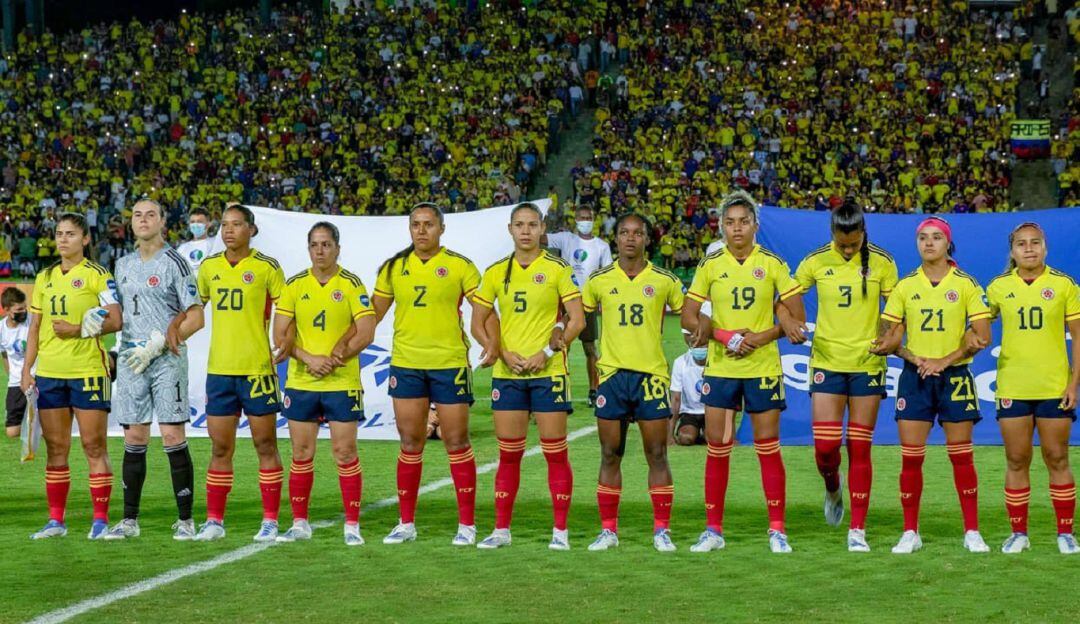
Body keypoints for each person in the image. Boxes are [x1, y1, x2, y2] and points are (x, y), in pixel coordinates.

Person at [681, 190, 807, 554]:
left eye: (744, 221)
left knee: (768, 449)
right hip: (721, 368)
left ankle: (777, 530)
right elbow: (689, 317)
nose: (737, 228)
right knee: (718, 448)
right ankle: (713, 530)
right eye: (730, 222)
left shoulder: (773, 264)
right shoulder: (711, 265)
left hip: (762, 367)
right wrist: (723, 335)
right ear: (721, 227)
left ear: (755, 225)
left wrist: (758, 337)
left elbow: (795, 317)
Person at [874, 216, 993, 554]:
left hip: (955, 377)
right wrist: (913, 358)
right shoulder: (904, 286)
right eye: (923, 237)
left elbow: (982, 335)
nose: (929, 243)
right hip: (915, 377)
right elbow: (887, 335)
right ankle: (910, 531)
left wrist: (945, 360)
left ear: (948, 243)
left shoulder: (967, 284)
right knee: (911, 458)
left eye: (936, 237)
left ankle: (972, 530)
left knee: (961, 457)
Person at [471, 202, 586, 550]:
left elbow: (577, 320)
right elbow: (478, 322)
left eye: (532, 225)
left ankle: (560, 532)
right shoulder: (494, 273)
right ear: (510, 229)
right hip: (508, 374)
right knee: (508, 453)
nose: (525, 231)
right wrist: (502, 352)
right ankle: (501, 530)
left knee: (555, 453)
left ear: (541, 229)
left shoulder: (558, 269)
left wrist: (547, 353)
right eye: (519, 225)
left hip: (548, 372)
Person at [372, 203, 485, 547]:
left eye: (429, 225)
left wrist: (491, 342)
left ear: (442, 228)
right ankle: (406, 523)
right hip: (407, 363)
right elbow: (372, 314)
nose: (422, 231)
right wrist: (345, 345)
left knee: (456, 442)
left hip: (449, 362)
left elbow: (483, 310)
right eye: (416, 225)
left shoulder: (460, 265)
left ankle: (467, 525)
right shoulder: (394, 267)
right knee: (410, 443)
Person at [789, 203, 898, 552]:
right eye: (842, 244)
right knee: (825, 449)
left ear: (863, 233)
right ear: (832, 234)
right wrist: (790, 321)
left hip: (867, 363)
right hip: (827, 362)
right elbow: (786, 298)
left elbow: (897, 310)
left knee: (860, 447)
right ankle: (833, 488)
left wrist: (888, 335)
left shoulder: (883, 262)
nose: (848, 250)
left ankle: (857, 530)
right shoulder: (815, 261)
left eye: (853, 244)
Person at [581, 212, 684, 552]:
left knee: (657, 454)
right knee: (610, 453)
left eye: (637, 233)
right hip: (611, 377)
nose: (629, 238)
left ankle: (662, 531)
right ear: (616, 239)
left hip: (651, 376)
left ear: (646, 239)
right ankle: (608, 531)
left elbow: (690, 314)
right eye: (624, 232)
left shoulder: (665, 280)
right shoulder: (598, 280)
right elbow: (580, 317)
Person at [103, 199, 205, 541]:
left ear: (163, 221)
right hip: (133, 361)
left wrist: (159, 344)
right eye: (137, 215)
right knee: (134, 437)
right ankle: (130, 521)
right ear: (130, 223)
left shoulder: (175, 262)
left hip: (166, 361)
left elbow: (195, 316)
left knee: (173, 436)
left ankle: (187, 521)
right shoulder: (122, 264)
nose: (143, 220)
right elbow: (120, 316)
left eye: (151, 214)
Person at [273, 222, 374, 546]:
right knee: (301, 453)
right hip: (302, 381)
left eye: (326, 244)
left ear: (337, 248)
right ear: (309, 249)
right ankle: (300, 523)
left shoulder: (351, 284)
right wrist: (309, 358)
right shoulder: (294, 284)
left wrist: (336, 358)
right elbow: (280, 334)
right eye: (315, 245)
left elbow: (366, 330)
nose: (320, 250)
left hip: (341, 382)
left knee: (344, 452)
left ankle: (353, 525)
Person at [24, 213, 122, 540]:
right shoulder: (44, 277)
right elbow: (35, 328)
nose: (63, 239)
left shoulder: (98, 275)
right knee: (56, 449)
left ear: (85, 239)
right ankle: (56, 522)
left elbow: (116, 319)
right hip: (50, 373)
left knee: (94, 446)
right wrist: (27, 369)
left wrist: (78, 330)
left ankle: (100, 521)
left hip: (88, 371)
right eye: (59, 234)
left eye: (70, 234)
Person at [192, 204, 287, 542]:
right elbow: (193, 310)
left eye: (237, 225)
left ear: (251, 229)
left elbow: (286, 309)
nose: (229, 231)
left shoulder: (267, 267)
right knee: (220, 448)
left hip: (257, 370)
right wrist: (170, 334)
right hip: (220, 372)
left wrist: (284, 340)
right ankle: (215, 521)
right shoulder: (209, 268)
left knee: (265, 444)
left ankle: (270, 520)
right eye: (225, 226)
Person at [986, 222, 1079, 554]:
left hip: (1054, 387)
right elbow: (980, 326)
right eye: (1022, 244)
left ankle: (1065, 533)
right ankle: (1019, 534)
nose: (1029, 248)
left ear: (1045, 248)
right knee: (1016, 459)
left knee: (1057, 458)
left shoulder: (1065, 285)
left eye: (1035, 243)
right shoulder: (997, 287)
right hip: (1012, 385)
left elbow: (1078, 338)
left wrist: (1073, 383)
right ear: (1012, 251)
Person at [543, 205, 612, 407]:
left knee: (590, 348)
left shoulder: (602, 246)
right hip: (565, 301)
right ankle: (561, 388)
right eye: (581, 217)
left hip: (588, 302)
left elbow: (606, 276)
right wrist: (541, 217)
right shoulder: (566, 238)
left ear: (594, 219)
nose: (585, 220)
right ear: (575, 219)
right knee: (563, 347)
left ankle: (594, 390)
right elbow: (541, 238)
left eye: (588, 217)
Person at [670, 328, 707, 446]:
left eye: (703, 345)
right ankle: (695, 432)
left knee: (714, 440)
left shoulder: (716, 362)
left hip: (711, 412)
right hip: (689, 413)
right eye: (697, 345)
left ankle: (706, 434)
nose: (700, 348)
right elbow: (675, 399)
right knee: (686, 438)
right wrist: (669, 434)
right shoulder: (680, 362)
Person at [1, 287, 29, 438]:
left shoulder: (33, 322)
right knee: (12, 433)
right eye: (19, 309)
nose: (24, 312)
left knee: (47, 429)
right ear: (6, 310)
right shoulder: (1, 329)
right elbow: (4, 355)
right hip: (16, 382)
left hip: (38, 378)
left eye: (25, 308)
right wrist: (12, 376)